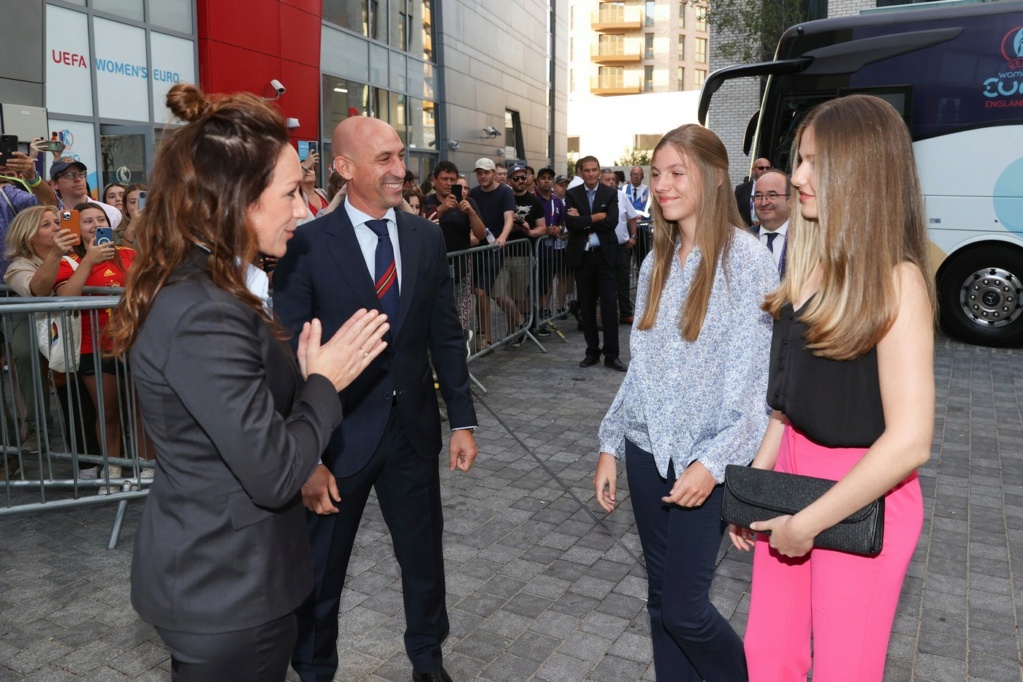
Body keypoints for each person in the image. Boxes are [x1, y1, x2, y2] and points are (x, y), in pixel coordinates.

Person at [106, 83, 391, 681]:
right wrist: (324, 382)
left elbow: (243, 426)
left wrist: (305, 389)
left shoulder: (218, 287)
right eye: (291, 193)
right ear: (238, 200)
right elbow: (272, 471)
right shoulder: (204, 310)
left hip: (226, 577)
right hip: (228, 588)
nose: (304, 208)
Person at [733, 94, 934, 681]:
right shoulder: (806, 261)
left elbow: (910, 441)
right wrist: (757, 489)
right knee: (767, 659)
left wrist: (810, 520)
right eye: (800, 159)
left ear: (862, 171)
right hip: (793, 479)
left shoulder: (899, 283)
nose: (795, 177)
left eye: (814, 162)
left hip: (862, 492)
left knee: (845, 670)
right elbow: (784, 402)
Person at [273, 116, 479, 682]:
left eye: (399, 156)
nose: (400, 170)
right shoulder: (306, 243)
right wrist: (306, 457)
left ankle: (428, 660)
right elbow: (292, 357)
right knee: (321, 570)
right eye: (384, 159)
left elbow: (443, 333)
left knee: (423, 559)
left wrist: (462, 420)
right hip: (335, 439)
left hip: (412, 431)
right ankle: (314, 669)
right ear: (344, 168)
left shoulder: (424, 236)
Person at [593, 124, 777, 681]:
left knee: (686, 611)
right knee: (659, 603)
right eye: (655, 175)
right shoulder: (656, 262)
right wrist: (610, 444)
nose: (662, 186)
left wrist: (714, 464)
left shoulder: (747, 261)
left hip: (706, 462)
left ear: (714, 178)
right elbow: (642, 372)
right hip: (647, 452)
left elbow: (756, 389)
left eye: (677, 173)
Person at [55, 203, 136, 472]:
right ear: (75, 229)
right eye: (87, 221)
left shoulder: (129, 254)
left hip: (134, 344)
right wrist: (90, 260)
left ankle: (146, 467)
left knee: (141, 412)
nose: (96, 225)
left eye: (101, 219)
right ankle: (112, 469)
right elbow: (67, 298)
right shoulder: (69, 261)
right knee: (107, 412)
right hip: (95, 347)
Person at [2, 206, 77, 458]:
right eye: (46, 225)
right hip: (34, 320)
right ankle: (37, 427)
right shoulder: (18, 266)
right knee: (24, 351)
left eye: (57, 222)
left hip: (76, 322)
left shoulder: (77, 252)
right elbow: (38, 291)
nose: (56, 227)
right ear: (27, 235)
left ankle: (83, 434)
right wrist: (56, 255)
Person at [564, 155, 623, 371]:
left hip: (605, 257)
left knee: (608, 305)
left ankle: (612, 354)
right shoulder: (572, 194)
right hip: (583, 257)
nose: (590, 174)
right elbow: (571, 223)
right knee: (586, 306)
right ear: (580, 172)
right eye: (586, 170)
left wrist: (585, 218)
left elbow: (612, 221)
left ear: (599, 171)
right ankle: (592, 352)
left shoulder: (610, 192)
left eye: (594, 170)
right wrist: (597, 216)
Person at [750, 168, 791, 277]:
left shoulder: (806, 241)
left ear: (790, 201)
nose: (763, 202)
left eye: (772, 195)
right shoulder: (742, 239)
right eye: (758, 196)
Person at [734, 157, 771, 227]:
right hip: (746, 230)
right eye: (761, 168)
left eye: (768, 168)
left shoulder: (778, 188)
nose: (765, 170)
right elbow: (733, 211)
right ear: (753, 170)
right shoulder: (741, 189)